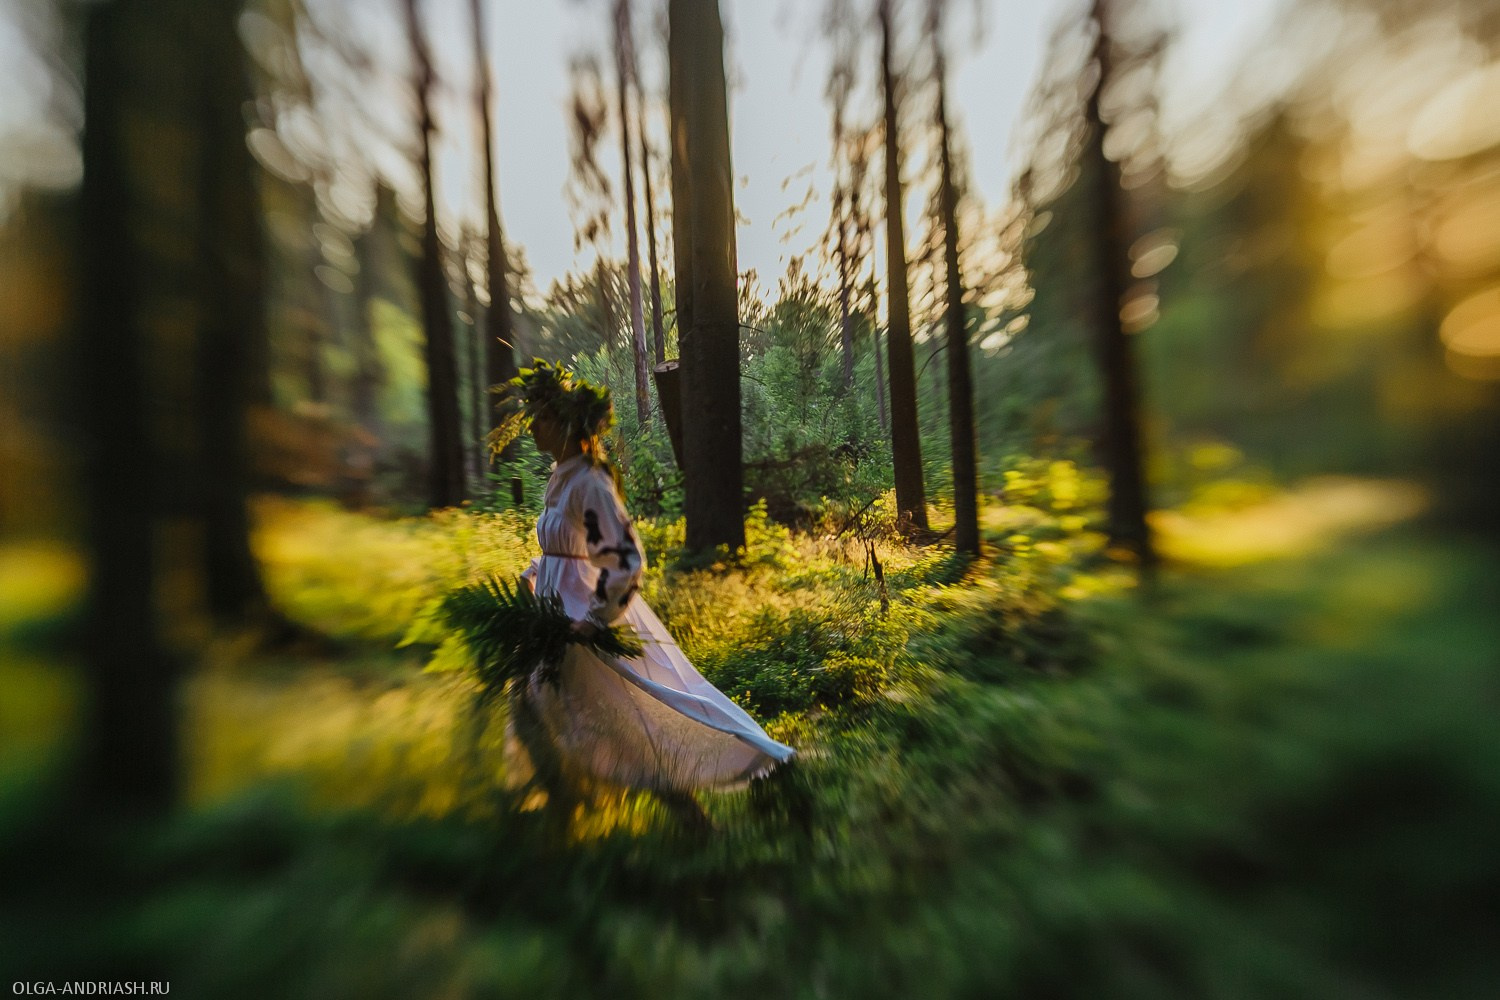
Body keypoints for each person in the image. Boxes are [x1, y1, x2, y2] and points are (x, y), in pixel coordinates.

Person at [491, 360, 794, 827]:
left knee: (624, 721)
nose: (532, 427)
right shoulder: (562, 478)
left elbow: (624, 558)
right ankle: (564, 806)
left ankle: (693, 818)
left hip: (579, 621)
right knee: (534, 705)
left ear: (568, 425)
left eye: (542, 418)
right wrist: (535, 576)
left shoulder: (589, 484)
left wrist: (594, 618)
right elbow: (566, 549)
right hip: (552, 615)